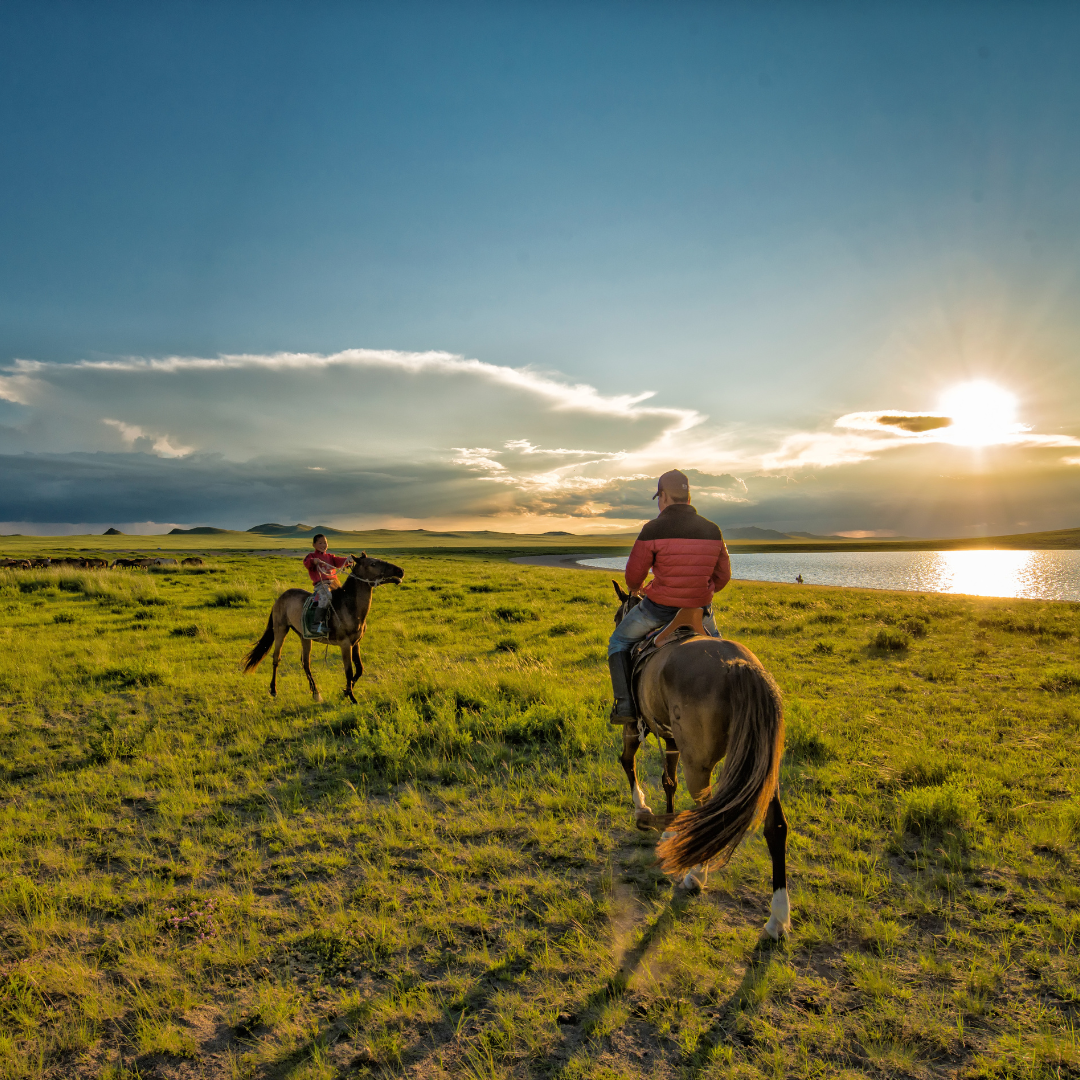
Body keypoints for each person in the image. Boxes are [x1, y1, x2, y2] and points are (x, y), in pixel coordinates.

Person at [609, 470, 731, 722]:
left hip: (658, 610)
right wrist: (701, 591)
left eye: (659, 497)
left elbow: (632, 579)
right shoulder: (713, 530)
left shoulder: (652, 529)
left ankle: (625, 708)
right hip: (700, 611)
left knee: (618, 642)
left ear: (663, 496)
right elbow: (723, 577)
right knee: (725, 654)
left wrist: (642, 587)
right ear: (688, 496)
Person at [302, 535, 354, 634]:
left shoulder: (330, 557)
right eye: (320, 543)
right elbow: (307, 563)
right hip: (321, 584)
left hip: (334, 584)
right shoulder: (311, 556)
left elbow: (340, 561)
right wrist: (314, 561)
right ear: (314, 545)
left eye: (325, 542)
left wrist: (349, 560)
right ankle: (316, 625)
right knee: (326, 596)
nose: (323, 545)